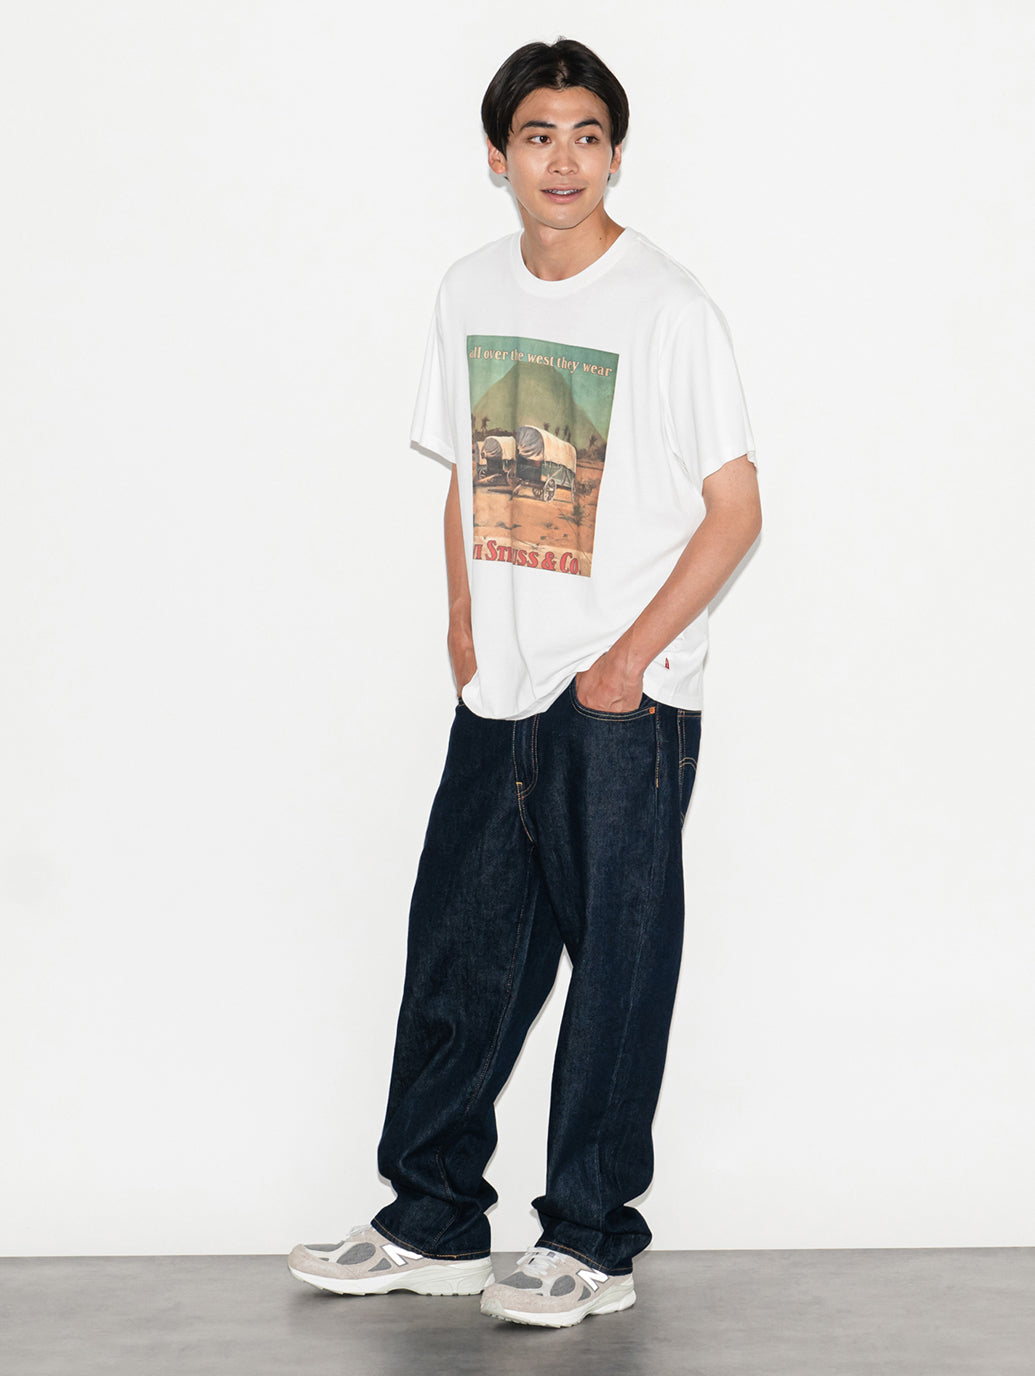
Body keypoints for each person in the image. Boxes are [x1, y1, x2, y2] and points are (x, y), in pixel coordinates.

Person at [288, 37, 761, 1329]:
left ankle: (591, 1241)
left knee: (617, 969)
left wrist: (627, 660)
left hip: (623, 699)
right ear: (498, 157)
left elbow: (735, 510)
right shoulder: (468, 288)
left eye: (588, 135)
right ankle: (433, 1219)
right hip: (498, 687)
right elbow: (467, 471)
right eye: (539, 135)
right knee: (461, 952)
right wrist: (461, 624)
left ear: (617, 154)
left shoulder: (669, 308)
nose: (565, 159)